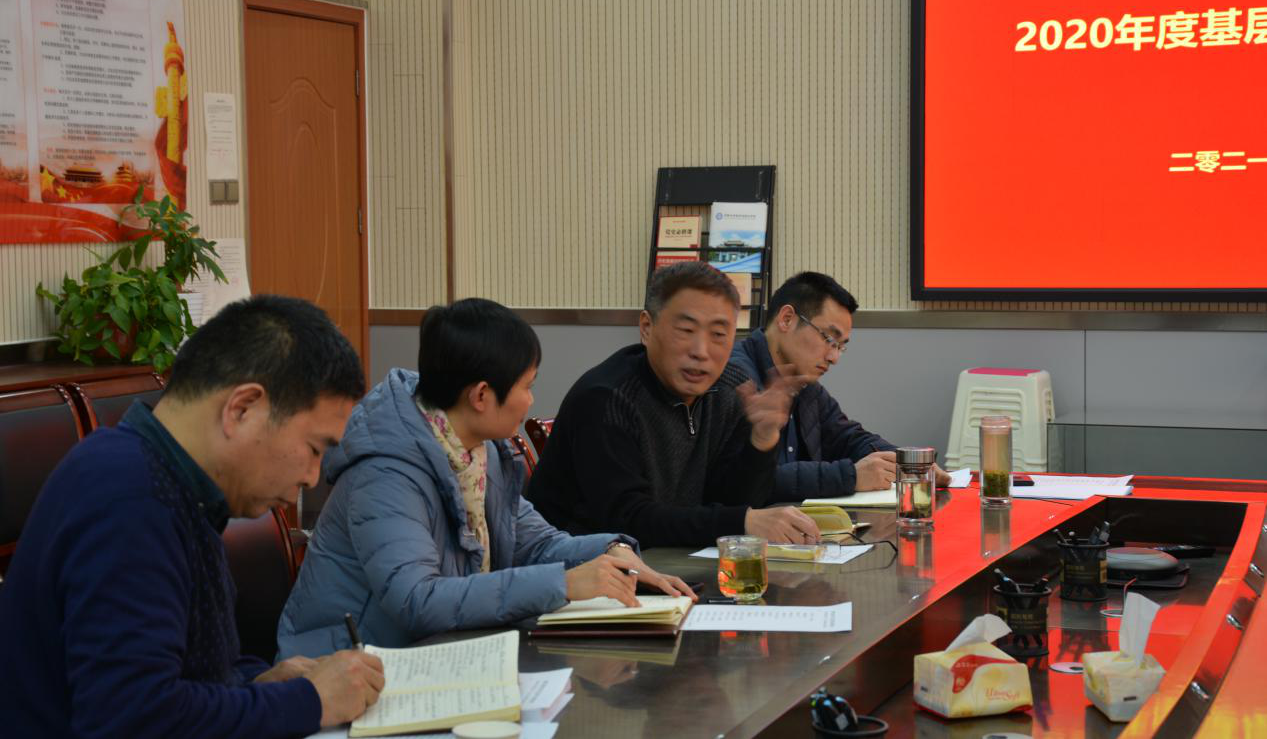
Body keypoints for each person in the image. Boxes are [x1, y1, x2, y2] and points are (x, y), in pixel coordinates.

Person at [0, 295, 385, 738]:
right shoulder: (127, 496)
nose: (312, 476)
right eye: (314, 448)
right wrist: (309, 701)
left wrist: (257, 683)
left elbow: (190, 674)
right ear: (242, 409)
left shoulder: (174, 483)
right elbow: (131, 720)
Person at [278, 298, 694, 658]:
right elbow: (417, 600)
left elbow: (535, 543)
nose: (531, 400)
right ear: (480, 396)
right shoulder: (386, 472)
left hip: (440, 652)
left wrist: (611, 551)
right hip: (349, 665)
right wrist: (563, 583)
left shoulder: (481, 450)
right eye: (527, 386)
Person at [525, 262, 821, 548]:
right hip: (582, 567)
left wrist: (762, 441)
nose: (701, 351)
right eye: (685, 330)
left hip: (669, 562)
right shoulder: (606, 398)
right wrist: (741, 521)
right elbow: (628, 520)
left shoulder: (731, 388)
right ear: (646, 328)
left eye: (718, 334)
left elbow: (733, 500)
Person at [729, 271, 951, 501]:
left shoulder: (804, 384)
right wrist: (851, 476)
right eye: (828, 339)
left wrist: (906, 462)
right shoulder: (735, 379)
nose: (834, 357)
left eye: (840, 346)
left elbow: (847, 437)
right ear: (786, 319)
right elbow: (745, 482)